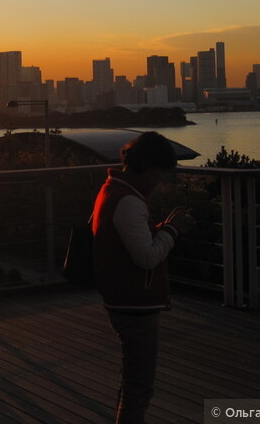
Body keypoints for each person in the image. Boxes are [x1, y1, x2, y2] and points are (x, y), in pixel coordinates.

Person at [92, 131, 195, 423]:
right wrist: (173, 231)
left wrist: (163, 227)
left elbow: (132, 241)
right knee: (140, 387)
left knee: (132, 379)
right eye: (161, 172)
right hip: (134, 303)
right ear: (150, 168)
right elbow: (146, 257)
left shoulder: (114, 189)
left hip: (121, 298)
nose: (161, 179)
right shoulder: (129, 201)